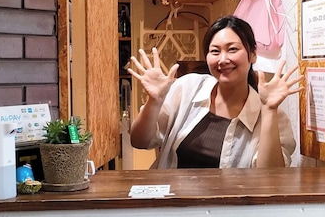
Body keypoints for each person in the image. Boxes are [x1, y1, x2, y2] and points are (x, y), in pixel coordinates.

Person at [128, 15, 301, 168]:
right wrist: (155, 101)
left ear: (253, 54)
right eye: (215, 51)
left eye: (232, 49)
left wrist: (269, 110)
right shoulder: (187, 87)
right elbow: (139, 142)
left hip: (229, 197)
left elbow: (270, 178)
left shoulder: (273, 117)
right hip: (171, 195)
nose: (223, 59)